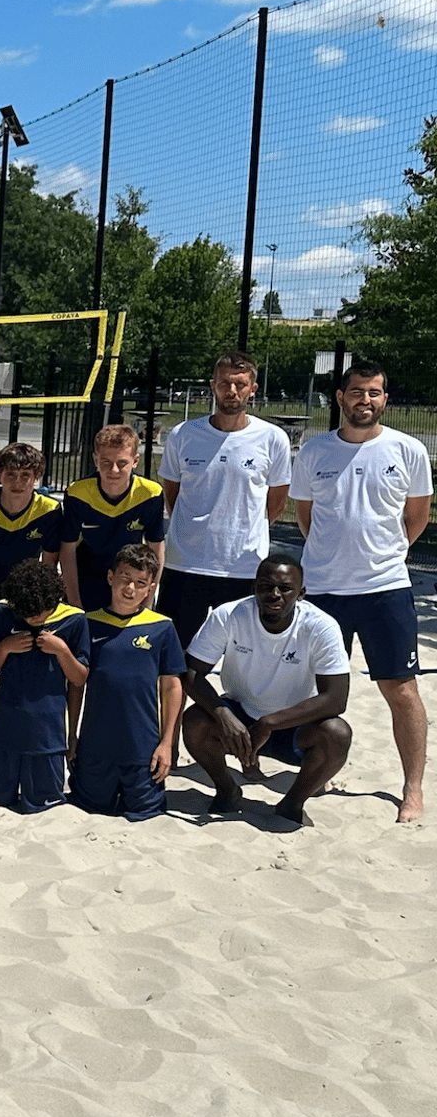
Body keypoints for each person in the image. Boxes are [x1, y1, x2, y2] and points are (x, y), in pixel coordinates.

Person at [293, 363, 431, 822]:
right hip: (325, 589)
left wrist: (383, 555)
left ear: (384, 399)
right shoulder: (314, 452)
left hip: (384, 588)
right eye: (356, 392)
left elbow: (416, 518)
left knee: (401, 689)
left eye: (374, 393)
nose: (365, 400)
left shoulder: (408, 450)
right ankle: (319, 769)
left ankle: (412, 788)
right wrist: (333, 558)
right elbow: (305, 518)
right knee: (319, 688)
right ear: (340, 397)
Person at [183, 554, 352, 826]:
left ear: (301, 593)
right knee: (194, 720)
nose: (274, 594)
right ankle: (227, 789)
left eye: (285, 588)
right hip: (239, 718)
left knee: (337, 734)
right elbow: (190, 673)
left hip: (293, 725)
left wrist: (270, 723)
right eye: (265, 586)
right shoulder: (229, 615)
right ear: (254, 588)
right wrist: (222, 715)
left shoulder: (321, 626)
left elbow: (336, 699)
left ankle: (292, 802)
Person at [157, 351, 293, 647]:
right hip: (185, 565)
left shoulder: (273, 439)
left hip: (243, 567)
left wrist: (243, 528)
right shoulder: (183, 435)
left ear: (253, 389)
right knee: (173, 660)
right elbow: (173, 495)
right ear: (213, 385)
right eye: (224, 383)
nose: (232, 391)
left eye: (240, 384)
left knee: (243, 658)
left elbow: (277, 504)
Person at [69, 545, 184, 822]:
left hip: (142, 751)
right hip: (95, 748)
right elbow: (76, 685)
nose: (130, 588)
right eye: (125, 578)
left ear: (151, 588)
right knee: (88, 810)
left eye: (140, 583)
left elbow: (172, 687)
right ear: (111, 577)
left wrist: (167, 743)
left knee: (146, 814)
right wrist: (71, 736)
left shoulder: (162, 627)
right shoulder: (88, 623)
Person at [0, 557, 89, 814]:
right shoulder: (6, 611)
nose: (33, 618)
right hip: (4, 724)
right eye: (26, 614)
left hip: (46, 732)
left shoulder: (74, 620)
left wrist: (62, 651)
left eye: (38, 614)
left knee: (42, 808)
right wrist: (6, 647)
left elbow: (80, 678)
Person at [61, 423, 164, 615]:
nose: (114, 470)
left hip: (128, 582)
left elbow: (156, 548)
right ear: (95, 460)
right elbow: (67, 550)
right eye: (106, 462)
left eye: (122, 463)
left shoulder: (150, 493)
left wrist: (148, 601)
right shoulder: (78, 494)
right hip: (87, 580)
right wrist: (74, 602)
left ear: (135, 461)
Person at [0, 442, 62, 610]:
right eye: (10, 474)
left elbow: (48, 565)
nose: (18, 482)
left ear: (37, 477)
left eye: (25, 475)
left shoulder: (49, 510)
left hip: (25, 594)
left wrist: (43, 608)